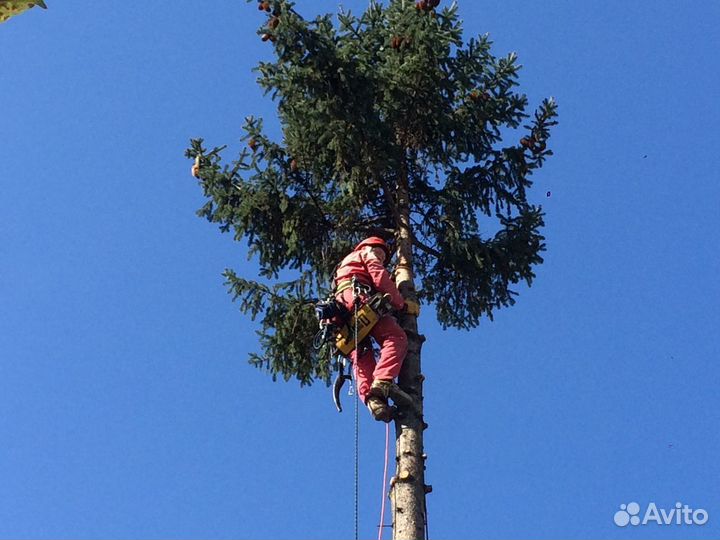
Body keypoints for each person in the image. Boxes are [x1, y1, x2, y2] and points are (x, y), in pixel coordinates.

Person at [334, 237, 408, 422]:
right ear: (370, 247)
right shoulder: (366, 253)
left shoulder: (344, 266)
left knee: (361, 354)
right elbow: (378, 275)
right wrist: (401, 304)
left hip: (342, 311)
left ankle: (373, 401)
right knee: (395, 337)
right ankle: (383, 381)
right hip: (358, 299)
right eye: (380, 254)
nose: (381, 258)